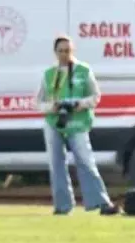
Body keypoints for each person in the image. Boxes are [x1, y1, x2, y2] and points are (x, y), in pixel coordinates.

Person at [36, 36, 118, 215]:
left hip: (78, 122)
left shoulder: (83, 70)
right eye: (61, 51)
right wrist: (53, 107)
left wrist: (78, 103)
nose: (65, 54)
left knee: (86, 160)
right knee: (56, 163)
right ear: (55, 52)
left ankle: (101, 202)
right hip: (54, 121)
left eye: (68, 50)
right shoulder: (49, 74)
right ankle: (62, 206)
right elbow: (38, 102)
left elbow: (95, 96)